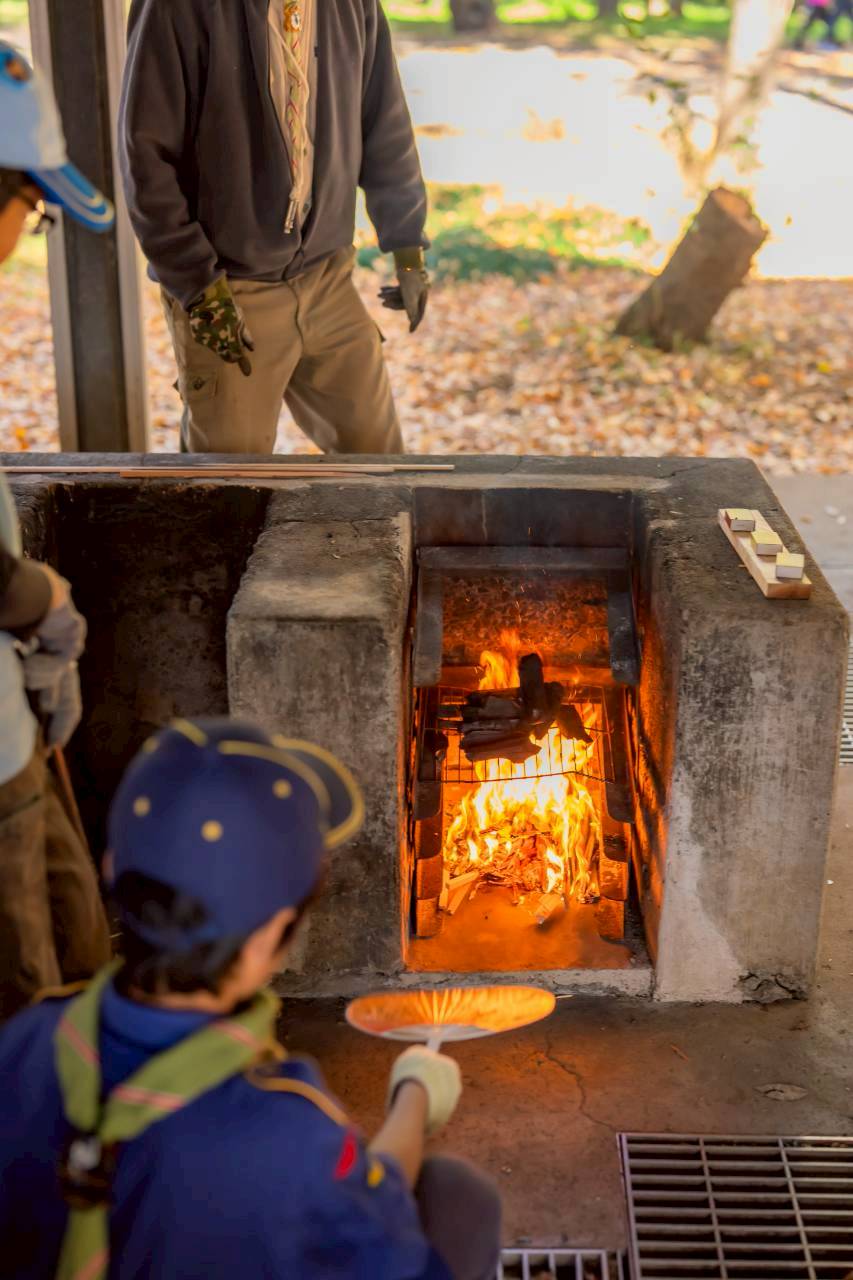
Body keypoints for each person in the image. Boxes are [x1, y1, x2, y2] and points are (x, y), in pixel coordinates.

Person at [0, 718, 502, 1279]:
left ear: (111, 869)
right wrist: (414, 1095)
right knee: (460, 1198)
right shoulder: (288, 1132)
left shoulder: (23, 1042)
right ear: (273, 935)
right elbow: (377, 1215)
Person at [119, 0, 430, 457]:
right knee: (227, 482)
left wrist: (406, 243)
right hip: (228, 290)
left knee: (381, 466)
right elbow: (146, 158)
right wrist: (198, 286)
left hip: (328, 277)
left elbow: (384, 118)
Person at [0, 41, 113, 1021]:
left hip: (11, 722)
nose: (23, 236)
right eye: (32, 209)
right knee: (26, 1001)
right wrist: (40, 602)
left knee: (75, 938)